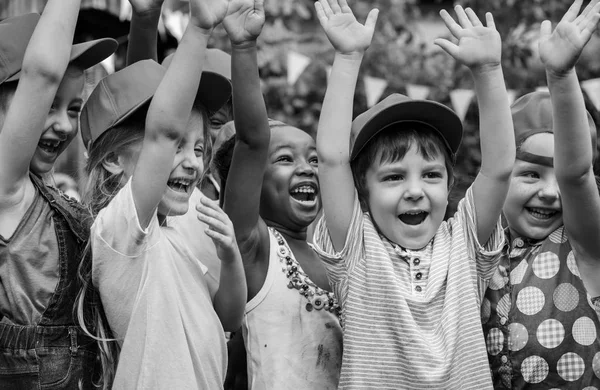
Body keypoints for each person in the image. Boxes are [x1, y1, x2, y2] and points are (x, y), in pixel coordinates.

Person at [312, 1, 515, 388]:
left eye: (432, 174)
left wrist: (489, 71)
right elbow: (332, 160)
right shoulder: (357, 248)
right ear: (362, 192)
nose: (415, 191)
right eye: (393, 178)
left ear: (450, 183)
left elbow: (499, 167)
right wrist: (347, 57)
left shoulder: (464, 244)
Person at [78, 0, 247, 387]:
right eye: (176, 146)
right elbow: (161, 131)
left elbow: (231, 317)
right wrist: (199, 29)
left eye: (200, 148)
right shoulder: (120, 232)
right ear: (114, 160)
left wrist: (230, 254)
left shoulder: (183, 224)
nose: (192, 162)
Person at [213, 0, 343, 388]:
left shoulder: (334, 254)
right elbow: (253, 141)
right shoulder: (254, 247)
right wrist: (244, 47)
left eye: (314, 159)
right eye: (285, 158)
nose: (307, 167)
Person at [482, 0, 600, 388]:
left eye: (559, 179)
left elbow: (577, 175)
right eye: (531, 174)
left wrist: (561, 74)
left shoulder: (584, 246)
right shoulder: (477, 253)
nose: (551, 192)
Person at [0, 2, 117, 387]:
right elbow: (42, 72)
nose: (64, 124)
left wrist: (147, 20)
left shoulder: (41, 189)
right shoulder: (7, 187)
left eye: (74, 107)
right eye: (48, 105)